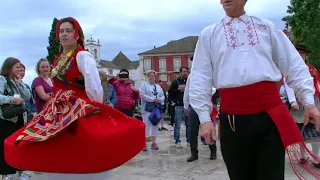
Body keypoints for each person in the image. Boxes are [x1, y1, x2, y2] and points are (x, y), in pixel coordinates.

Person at [188, 0, 320, 179]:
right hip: (233, 120)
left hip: (270, 116)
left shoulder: (266, 27)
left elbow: (293, 63)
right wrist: (204, 118)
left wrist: (309, 102)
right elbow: (200, 77)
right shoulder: (209, 34)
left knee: (271, 175)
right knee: (240, 175)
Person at [4, 17, 145, 180]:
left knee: (82, 144)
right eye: (61, 31)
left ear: (76, 35)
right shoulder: (58, 58)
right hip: (56, 110)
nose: (64, 34)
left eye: (68, 31)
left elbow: (94, 86)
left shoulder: (83, 56)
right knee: (46, 142)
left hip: (79, 107)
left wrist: (95, 109)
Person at [0, 58, 32, 180]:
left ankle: (18, 171)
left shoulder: (16, 81)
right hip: (6, 119)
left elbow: (27, 96)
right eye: (17, 67)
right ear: (9, 67)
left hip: (19, 118)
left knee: (17, 146)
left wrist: (19, 83)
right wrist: (12, 99)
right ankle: (7, 174)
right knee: (5, 147)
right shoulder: (2, 79)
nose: (19, 69)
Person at [139, 70, 165, 151]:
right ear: (147, 77)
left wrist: (159, 100)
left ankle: (154, 143)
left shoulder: (158, 86)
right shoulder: (143, 85)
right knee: (146, 126)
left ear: (155, 77)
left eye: (152, 76)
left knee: (155, 125)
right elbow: (142, 95)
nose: (151, 77)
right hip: (147, 109)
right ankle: (144, 144)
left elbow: (163, 96)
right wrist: (153, 99)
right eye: (149, 75)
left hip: (156, 108)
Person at [168, 67, 190, 148]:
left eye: (187, 72)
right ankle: (177, 141)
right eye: (184, 71)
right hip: (179, 106)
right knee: (177, 125)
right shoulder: (175, 82)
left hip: (188, 106)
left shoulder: (190, 81)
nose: (185, 73)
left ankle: (189, 141)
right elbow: (170, 93)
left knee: (189, 125)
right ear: (180, 72)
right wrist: (178, 89)